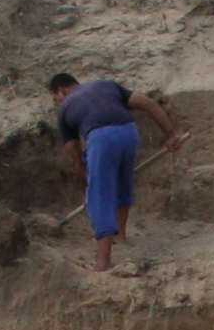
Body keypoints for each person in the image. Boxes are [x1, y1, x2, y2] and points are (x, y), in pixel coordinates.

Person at [49, 72, 182, 272]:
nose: (58, 102)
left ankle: (103, 262)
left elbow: (75, 153)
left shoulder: (66, 108)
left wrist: (88, 181)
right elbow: (149, 104)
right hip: (128, 131)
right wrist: (171, 135)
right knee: (122, 183)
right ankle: (120, 237)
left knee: (99, 198)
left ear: (60, 90)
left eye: (55, 98)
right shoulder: (105, 85)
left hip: (101, 138)